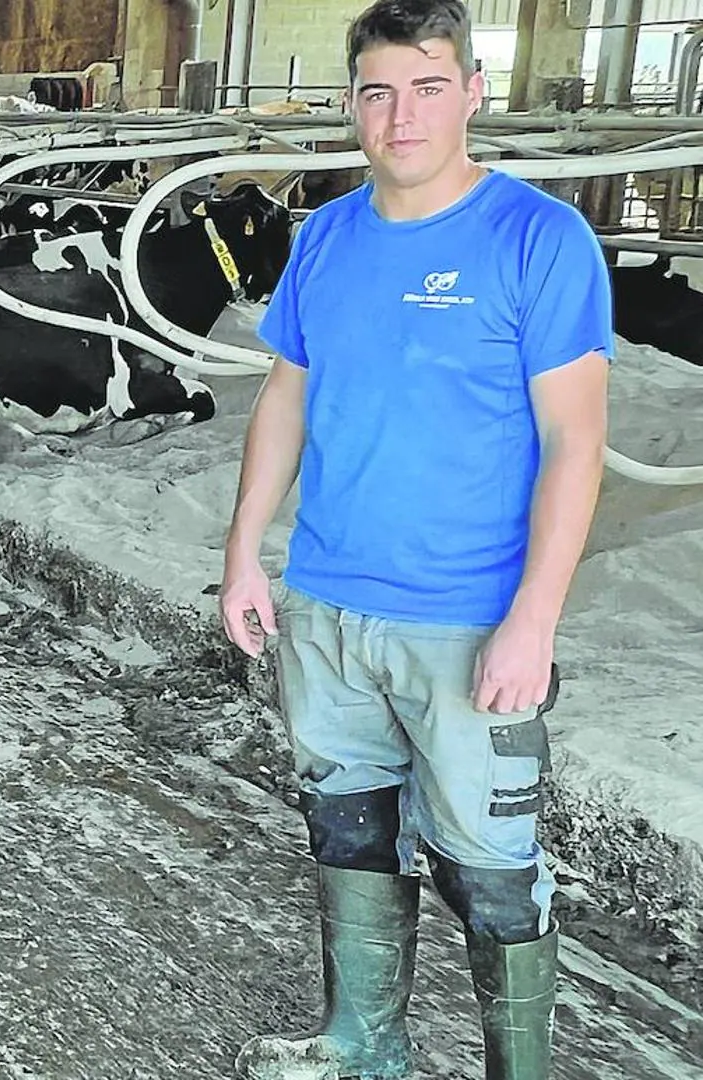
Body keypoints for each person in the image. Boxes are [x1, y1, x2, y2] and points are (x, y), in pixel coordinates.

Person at [218, 1, 611, 1077]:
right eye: (377, 91)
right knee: (344, 828)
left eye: (427, 86)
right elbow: (284, 400)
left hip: (467, 619)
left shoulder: (537, 238)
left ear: (472, 92)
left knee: (489, 867)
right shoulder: (328, 236)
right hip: (328, 605)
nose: (400, 116)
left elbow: (574, 443)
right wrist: (243, 551)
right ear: (349, 103)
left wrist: (532, 621)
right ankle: (362, 1042)